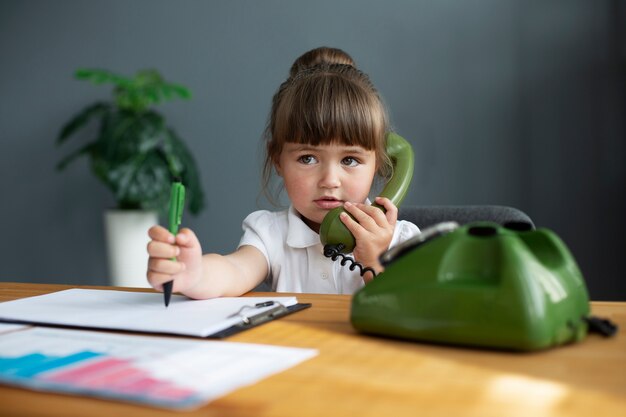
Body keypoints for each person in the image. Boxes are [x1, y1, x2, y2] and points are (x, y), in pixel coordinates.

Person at [146, 47, 420, 298]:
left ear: (380, 163)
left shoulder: (402, 238)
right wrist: (192, 274)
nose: (330, 180)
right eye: (308, 158)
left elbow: (414, 310)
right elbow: (235, 270)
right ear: (277, 158)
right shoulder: (270, 233)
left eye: (350, 160)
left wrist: (374, 261)